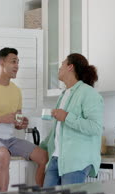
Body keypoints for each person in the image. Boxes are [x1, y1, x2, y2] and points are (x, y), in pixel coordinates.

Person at [0, 47, 48, 191]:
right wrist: (2, 118)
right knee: (3, 155)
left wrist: (21, 123)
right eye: (13, 61)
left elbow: (16, 121)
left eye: (18, 62)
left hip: (10, 140)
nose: (17, 66)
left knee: (43, 156)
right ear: (2, 62)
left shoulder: (16, 91)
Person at [40, 53, 104, 186]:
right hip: (56, 159)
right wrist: (41, 147)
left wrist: (66, 116)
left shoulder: (88, 93)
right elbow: (59, 130)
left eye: (62, 64)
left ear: (70, 67)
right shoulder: (63, 94)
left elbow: (95, 127)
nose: (59, 68)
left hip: (76, 162)